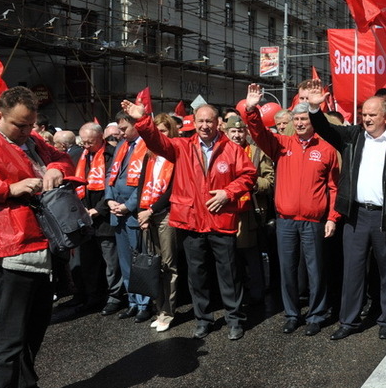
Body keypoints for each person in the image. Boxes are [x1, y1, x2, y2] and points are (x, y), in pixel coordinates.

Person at [121, 99, 257, 341]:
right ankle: (203, 319)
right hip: (191, 221)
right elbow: (155, 141)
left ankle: (235, 319)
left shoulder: (232, 149)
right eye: (200, 121)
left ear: (218, 124)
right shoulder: (181, 146)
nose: (205, 125)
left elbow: (248, 175)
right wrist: (142, 120)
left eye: (209, 121)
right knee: (197, 275)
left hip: (220, 220)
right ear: (193, 123)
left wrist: (229, 192)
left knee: (229, 274)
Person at [306, 82, 386, 340]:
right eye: (364, 114)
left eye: (372, 114)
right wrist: (314, 107)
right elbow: (324, 128)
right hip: (356, 217)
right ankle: (349, 320)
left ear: (384, 116)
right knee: (353, 270)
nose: (367, 119)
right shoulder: (353, 137)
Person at [0, 86, 72, 388]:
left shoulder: (33, 142)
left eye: (30, 125)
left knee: (34, 327)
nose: (27, 132)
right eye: (19, 125)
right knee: (8, 337)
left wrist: (58, 167)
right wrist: (8, 188)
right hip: (11, 247)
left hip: (42, 245)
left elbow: (64, 159)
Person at [245, 88, 340, 336]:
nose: (299, 123)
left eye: (304, 119)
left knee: (315, 270)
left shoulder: (327, 149)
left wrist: (332, 217)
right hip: (286, 221)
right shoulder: (280, 144)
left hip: (314, 221)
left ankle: (317, 315)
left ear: (312, 122)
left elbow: (333, 187)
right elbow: (258, 133)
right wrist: (252, 110)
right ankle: (292, 314)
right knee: (287, 269)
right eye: (296, 119)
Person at [104, 111, 153, 324]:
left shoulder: (146, 146)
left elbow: (146, 180)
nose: (121, 133)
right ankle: (132, 301)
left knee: (138, 260)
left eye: (124, 128)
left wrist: (128, 206)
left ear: (135, 125)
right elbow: (110, 175)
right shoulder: (122, 147)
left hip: (133, 212)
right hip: (117, 212)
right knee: (124, 261)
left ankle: (144, 303)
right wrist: (109, 200)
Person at [72, 122, 123, 315]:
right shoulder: (80, 155)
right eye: (83, 142)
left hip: (105, 217)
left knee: (111, 262)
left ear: (100, 138)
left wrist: (98, 209)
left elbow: (114, 185)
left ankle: (114, 296)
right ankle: (93, 296)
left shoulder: (112, 154)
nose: (86, 146)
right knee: (89, 261)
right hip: (84, 217)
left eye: (90, 142)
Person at [224, 114, 274, 311]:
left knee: (251, 257)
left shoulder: (256, 152)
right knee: (229, 258)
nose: (237, 135)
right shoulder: (220, 151)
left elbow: (270, 181)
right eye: (233, 131)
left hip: (249, 212)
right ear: (226, 132)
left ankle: (256, 294)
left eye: (240, 131)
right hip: (225, 210)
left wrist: (249, 182)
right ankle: (235, 294)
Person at [135, 113, 179, 332]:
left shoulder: (175, 155)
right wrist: (141, 213)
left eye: (163, 131)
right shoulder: (149, 155)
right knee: (154, 264)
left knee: (168, 265)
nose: (160, 135)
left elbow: (173, 190)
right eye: (157, 131)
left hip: (166, 214)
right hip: (148, 215)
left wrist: (151, 210)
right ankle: (158, 307)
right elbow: (142, 184)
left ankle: (168, 312)